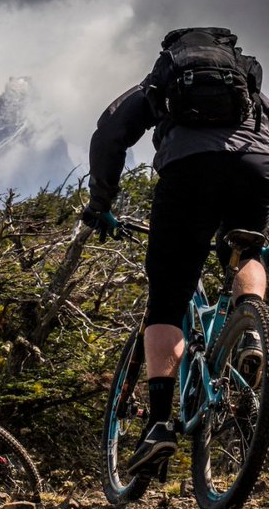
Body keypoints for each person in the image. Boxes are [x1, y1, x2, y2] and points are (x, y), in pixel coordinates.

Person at [82, 26, 269, 476]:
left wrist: (101, 203)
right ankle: (251, 327)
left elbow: (109, 134)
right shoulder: (249, 85)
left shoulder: (160, 80)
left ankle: (158, 426)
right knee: (246, 250)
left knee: (167, 300)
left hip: (188, 174)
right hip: (256, 168)